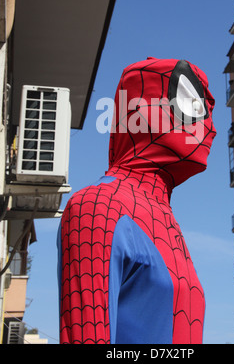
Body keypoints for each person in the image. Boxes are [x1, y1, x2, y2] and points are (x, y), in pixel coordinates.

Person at [57, 57, 216, 344]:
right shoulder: (97, 207)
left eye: (207, 109)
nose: (209, 127)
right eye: (193, 105)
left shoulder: (168, 223)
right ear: (142, 107)